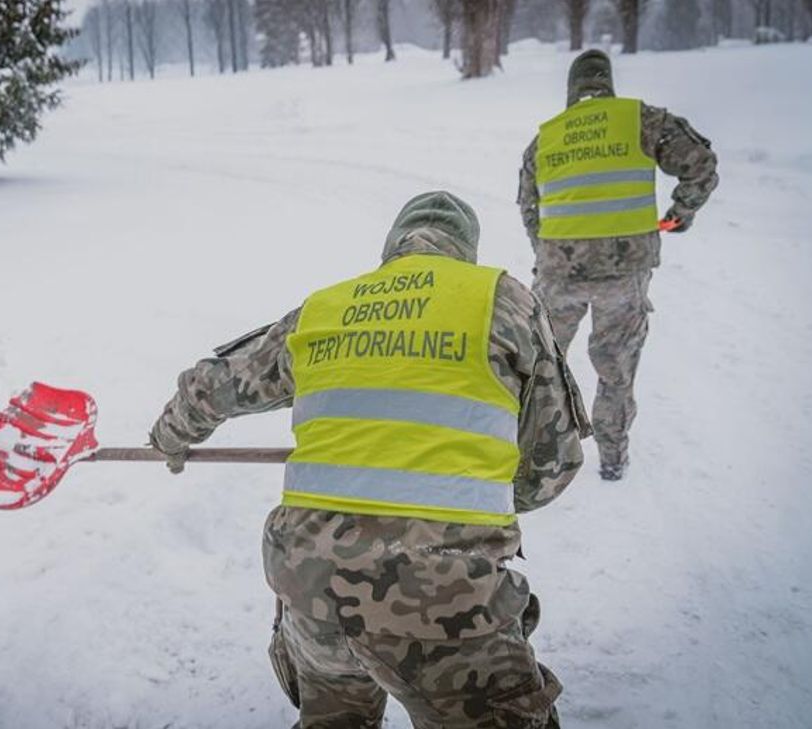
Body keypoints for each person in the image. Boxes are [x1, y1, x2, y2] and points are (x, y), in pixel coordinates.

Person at [149, 192, 591, 728]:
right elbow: (552, 466)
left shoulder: (326, 308)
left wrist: (171, 437)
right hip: (444, 596)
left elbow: (215, 385)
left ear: (391, 248)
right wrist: (478, 480)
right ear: (465, 252)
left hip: (311, 587)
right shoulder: (502, 301)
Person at [517, 49, 718, 480]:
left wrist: (550, 255)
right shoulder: (641, 120)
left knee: (540, 367)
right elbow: (700, 163)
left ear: (571, 90)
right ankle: (612, 460)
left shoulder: (545, 138)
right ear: (608, 83)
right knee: (615, 369)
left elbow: (529, 208)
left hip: (557, 278)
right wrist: (681, 212)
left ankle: (534, 458)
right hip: (624, 278)